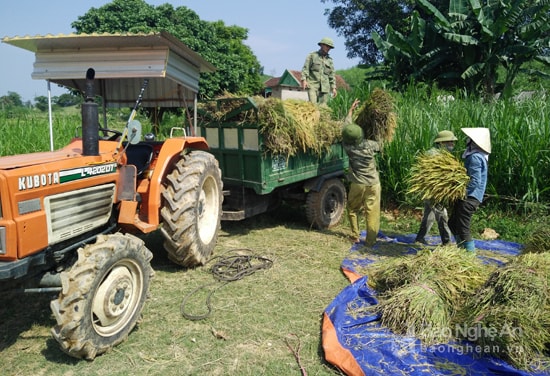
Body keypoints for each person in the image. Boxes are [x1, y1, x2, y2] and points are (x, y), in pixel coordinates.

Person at [341, 99, 381, 248]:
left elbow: (346, 126)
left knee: (352, 209)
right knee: (372, 212)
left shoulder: (347, 147)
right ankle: (370, 241)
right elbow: (380, 144)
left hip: (358, 184)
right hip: (373, 184)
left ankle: (355, 236)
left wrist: (351, 110)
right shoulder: (370, 145)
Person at [448, 128, 491, 252]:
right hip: (470, 196)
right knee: (453, 223)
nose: (467, 141)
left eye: (469, 139)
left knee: (463, 227)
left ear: (474, 142)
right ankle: (461, 249)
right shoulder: (478, 156)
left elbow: (475, 180)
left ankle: (469, 256)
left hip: (470, 197)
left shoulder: (475, 158)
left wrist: (462, 193)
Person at [414, 130, 457, 245]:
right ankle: (447, 241)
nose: (453, 144)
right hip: (434, 191)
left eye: (453, 142)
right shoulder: (434, 155)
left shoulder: (441, 154)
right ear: (442, 143)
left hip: (430, 191)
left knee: (430, 214)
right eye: (450, 142)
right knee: (442, 214)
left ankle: (420, 238)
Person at [301, 37, 337, 104]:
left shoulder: (330, 60)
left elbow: (332, 75)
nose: (328, 48)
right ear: (322, 45)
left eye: (330, 47)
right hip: (312, 85)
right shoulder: (312, 56)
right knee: (313, 105)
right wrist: (304, 80)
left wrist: (333, 88)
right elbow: (305, 68)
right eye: (327, 46)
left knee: (323, 108)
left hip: (325, 87)